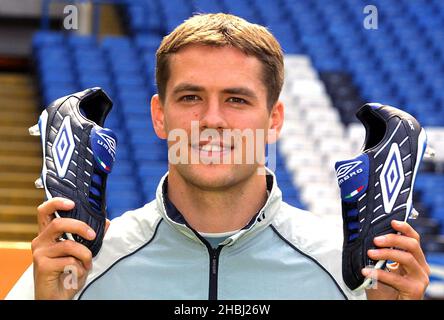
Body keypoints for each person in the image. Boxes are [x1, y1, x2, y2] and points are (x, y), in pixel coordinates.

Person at [7, 13, 429, 300]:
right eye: (191, 97)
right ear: (159, 115)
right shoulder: (78, 268)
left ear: (274, 119)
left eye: (237, 100)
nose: (212, 119)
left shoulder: (351, 272)